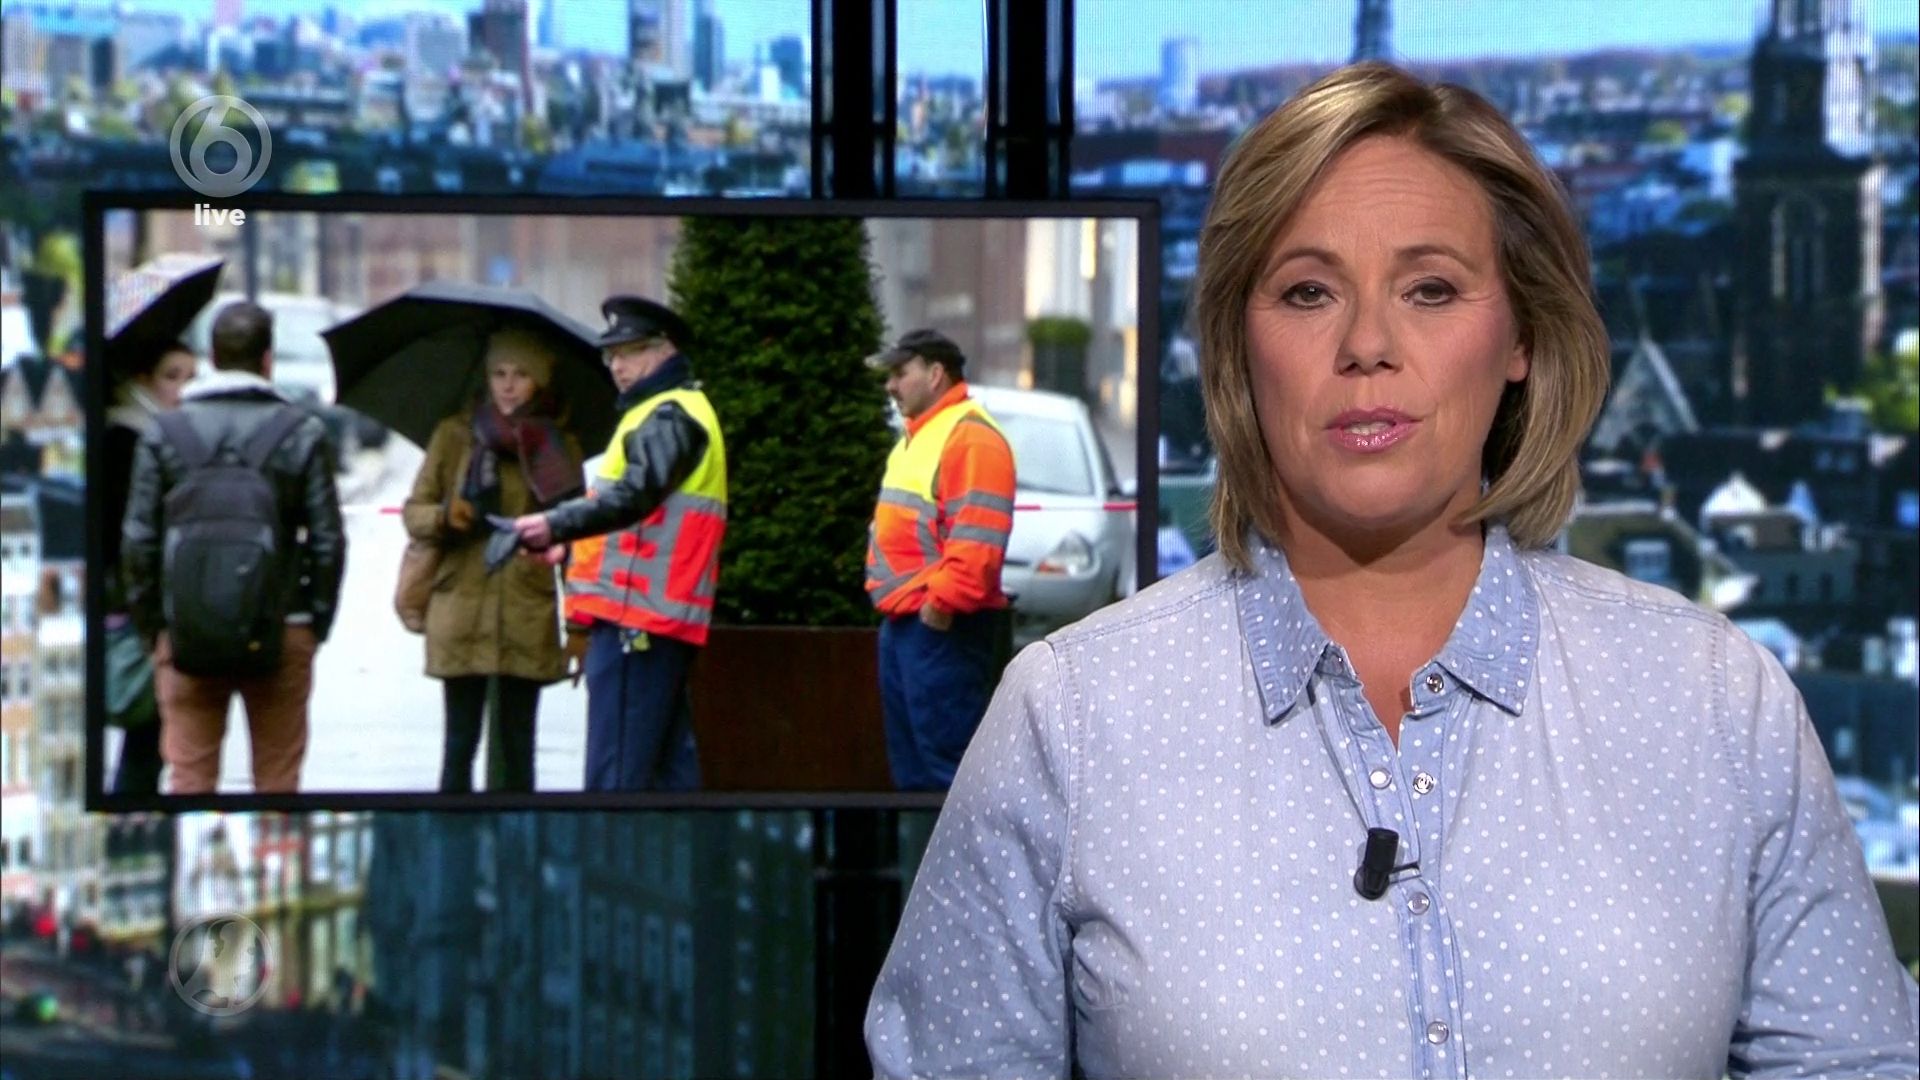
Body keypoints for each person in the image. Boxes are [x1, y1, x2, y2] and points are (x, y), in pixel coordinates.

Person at [866, 62, 1920, 1077]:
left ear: (1521, 336)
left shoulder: (1716, 704)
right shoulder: (1070, 720)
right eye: (1308, 292)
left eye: (1430, 289)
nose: (1368, 343)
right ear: (1237, 346)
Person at [122, 301, 346, 795]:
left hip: (186, 632)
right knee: (278, 781)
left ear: (212, 356)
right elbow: (328, 539)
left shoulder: (165, 433)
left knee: (190, 777)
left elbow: (139, 540)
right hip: (282, 624)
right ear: (267, 360)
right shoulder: (301, 432)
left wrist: (154, 627)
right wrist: (314, 621)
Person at [511, 295, 726, 792]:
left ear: (666, 350)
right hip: (650, 620)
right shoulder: (661, 412)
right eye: (611, 355)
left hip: (638, 620)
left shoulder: (668, 416)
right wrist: (568, 544)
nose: (617, 366)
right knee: (666, 775)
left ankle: (614, 848)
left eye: (630, 352)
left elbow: (634, 497)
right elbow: (633, 517)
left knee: (617, 782)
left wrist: (554, 524)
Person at [402, 327, 584, 792]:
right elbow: (414, 512)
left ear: (539, 381)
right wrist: (446, 516)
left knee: (519, 748)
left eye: (520, 374)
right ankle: (456, 835)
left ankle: (515, 835)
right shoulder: (454, 436)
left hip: (525, 606)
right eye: (499, 373)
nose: (507, 385)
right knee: (458, 746)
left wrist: (579, 624)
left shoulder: (558, 445)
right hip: (461, 604)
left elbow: (579, 536)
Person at [864, 329, 1016, 792]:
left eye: (900, 373)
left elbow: (978, 543)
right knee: (916, 772)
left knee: (944, 772)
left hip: (940, 628)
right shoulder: (925, 434)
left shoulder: (970, 438)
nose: (891, 385)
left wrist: (940, 606)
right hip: (914, 623)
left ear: (935, 374)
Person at [103, 340, 196, 795]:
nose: (183, 389)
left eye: (191, 377)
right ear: (143, 380)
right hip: (132, 604)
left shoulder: (153, 434)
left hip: (133, 600)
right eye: (172, 376)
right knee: (145, 729)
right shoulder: (131, 439)